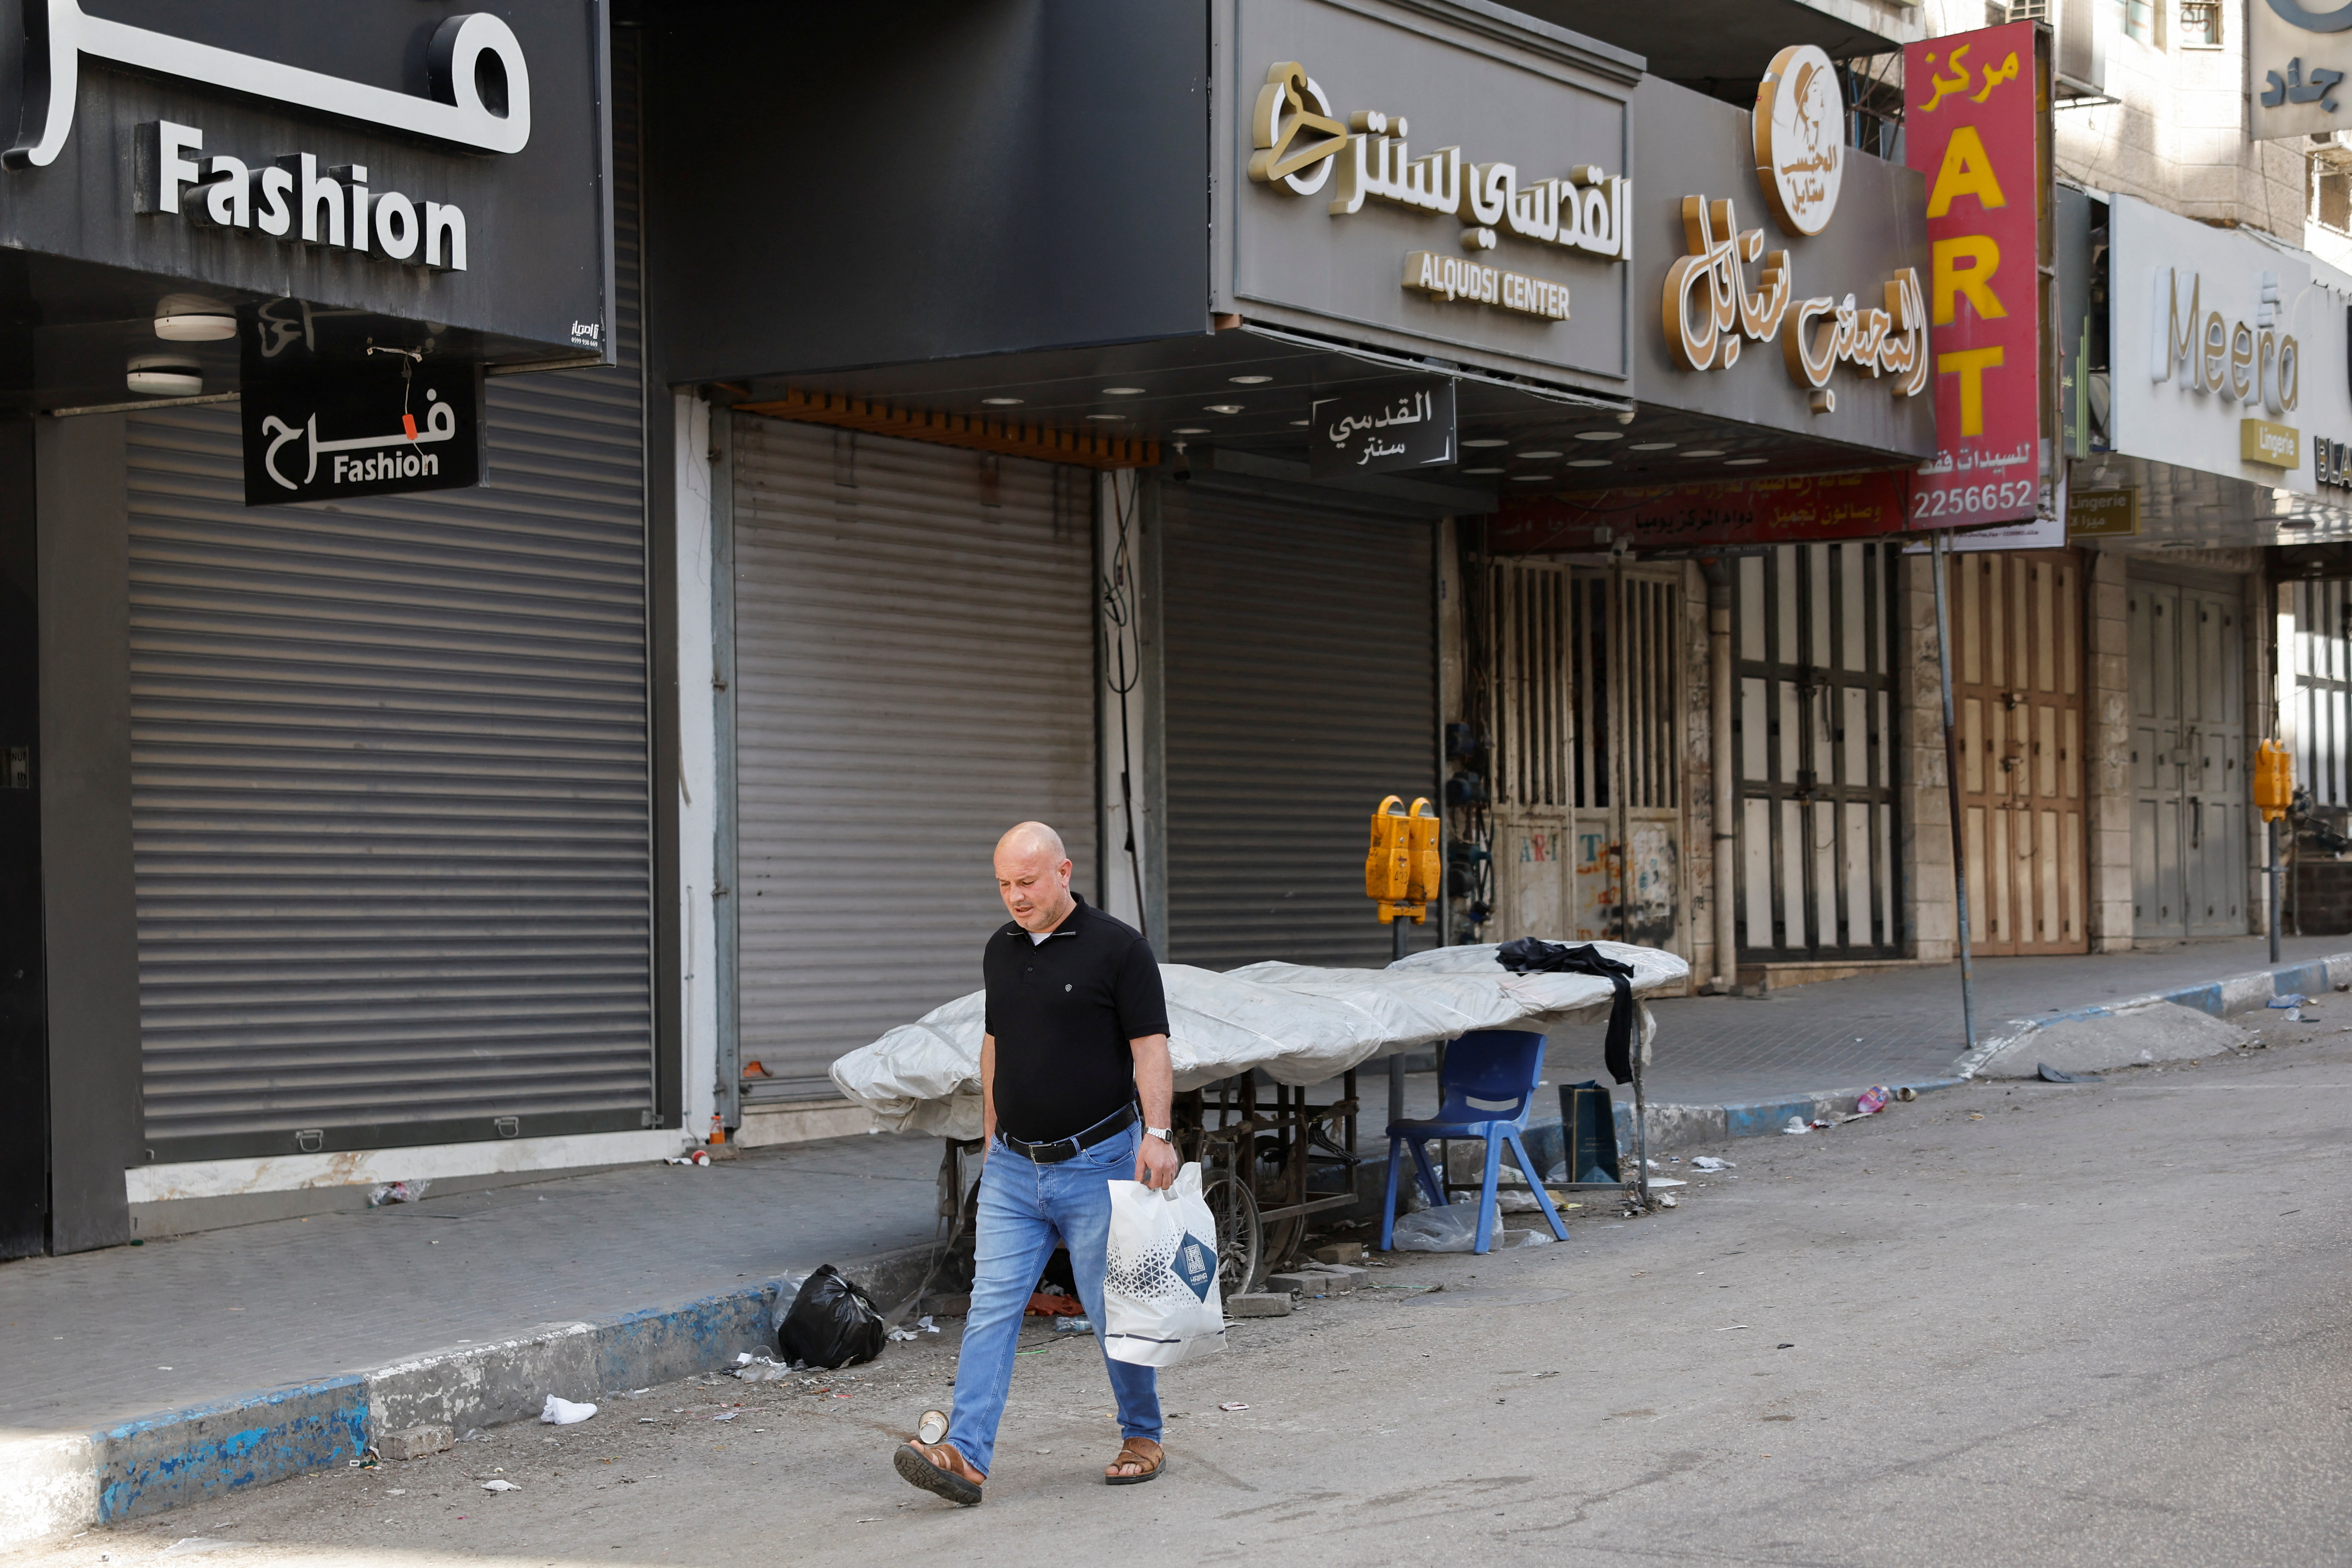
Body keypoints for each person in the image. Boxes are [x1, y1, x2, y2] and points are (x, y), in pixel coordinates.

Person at [893, 821, 1176, 1506]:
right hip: (1016, 1170)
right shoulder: (1001, 949)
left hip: (1099, 1160)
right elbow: (996, 1042)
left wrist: (1159, 1133)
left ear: (1063, 872)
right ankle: (965, 1455)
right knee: (992, 1308)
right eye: (1004, 885)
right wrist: (992, 1128)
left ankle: (1142, 1433)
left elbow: (1150, 1047)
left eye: (1026, 882)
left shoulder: (1120, 950)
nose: (1015, 897)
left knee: (1115, 1310)